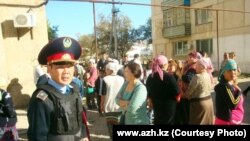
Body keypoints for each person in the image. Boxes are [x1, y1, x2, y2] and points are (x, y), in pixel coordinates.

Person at [27, 37, 89, 141]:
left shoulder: (75, 89)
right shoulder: (42, 99)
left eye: (70, 66)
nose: (66, 71)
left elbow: (79, 119)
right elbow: (37, 137)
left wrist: (83, 136)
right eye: (60, 66)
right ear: (49, 68)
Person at [146, 55, 179, 124]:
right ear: (165, 65)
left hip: (156, 104)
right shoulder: (169, 76)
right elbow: (176, 91)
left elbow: (148, 91)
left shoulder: (150, 76)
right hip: (169, 105)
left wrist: (150, 99)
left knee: (158, 121)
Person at [183, 58, 214, 124]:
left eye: (197, 65)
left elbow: (189, 93)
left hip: (199, 104)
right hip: (209, 102)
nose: (195, 67)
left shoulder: (197, 77)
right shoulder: (208, 75)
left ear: (202, 66)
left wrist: (182, 92)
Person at [214, 59, 244, 125]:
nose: (233, 72)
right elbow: (233, 105)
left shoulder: (228, 83)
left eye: (234, 69)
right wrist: (239, 92)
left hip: (225, 120)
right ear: (224, 72)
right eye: (229, 70)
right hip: (225, 121)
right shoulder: (225, 86)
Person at [101, 61, 124, 137]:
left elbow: (103, 94)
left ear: (110, 70)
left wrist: (101, 105)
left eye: (106, 69)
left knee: (111, 127)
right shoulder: (122, 79)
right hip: (120, 106)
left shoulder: (104, 79)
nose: (105, 71)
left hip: (109, 107)